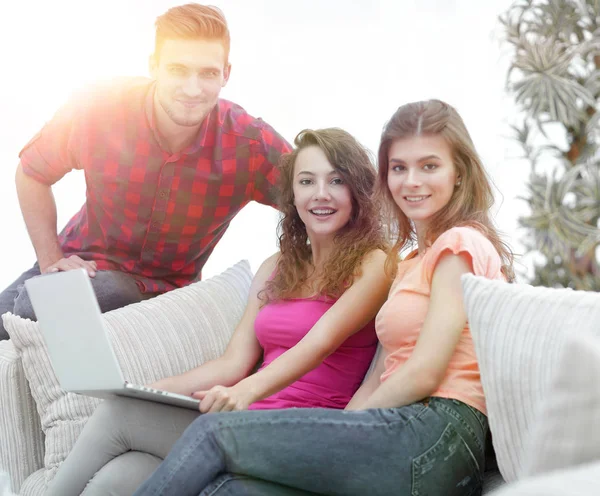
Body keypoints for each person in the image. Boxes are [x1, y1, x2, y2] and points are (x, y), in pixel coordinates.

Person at [131, 99, 516, 496]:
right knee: (230, 490)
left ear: (459, 173)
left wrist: (342, 427)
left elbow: (424, 372)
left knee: (212, 433)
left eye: (429, 166)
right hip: (401, 432)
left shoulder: (459, 245)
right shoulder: (409, 265)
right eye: (399, 168)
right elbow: (380, 375)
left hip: (437, 434)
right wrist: (338, 434)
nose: (412, 181)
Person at [45, 127, 390, 495]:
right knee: (124, 474)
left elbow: (319, 342)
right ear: (292, 194)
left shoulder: (375, 264)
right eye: (307, 181)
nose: (321, 194)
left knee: (118, 417)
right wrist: (147, 392)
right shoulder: (276, 265)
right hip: (242, 420)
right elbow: (233, 362)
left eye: (336, 180)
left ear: (357, 190)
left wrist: (244, 391)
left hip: (299, 434)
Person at [0, 3, 291, 341]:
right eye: (178, 70)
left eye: (208, 73)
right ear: (154, 66)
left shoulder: (249, 144)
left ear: (226, 74)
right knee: (38, 304)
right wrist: (51, 260)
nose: (192, 89)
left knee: (58, 304)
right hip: (76, 265)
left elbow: (317, 197)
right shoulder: (99, 108)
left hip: (160, 292)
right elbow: (32, 172)